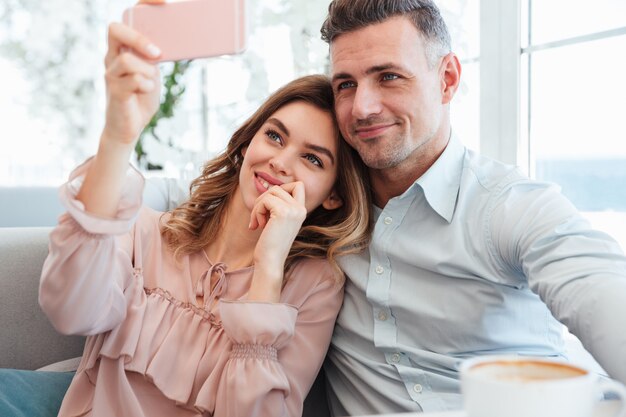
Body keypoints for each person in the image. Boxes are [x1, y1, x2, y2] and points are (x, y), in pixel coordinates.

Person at [38, 22, 372, 417]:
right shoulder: (144, 232)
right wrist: (118, 134)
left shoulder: (315, 286)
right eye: (275, 137)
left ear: (334, 195)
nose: (280, 163)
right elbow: (69, 310)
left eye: (313, 159)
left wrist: (268, 270)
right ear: (248, 142)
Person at [318, 0, 626, 415]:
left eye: (388, 77)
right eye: (345, 85)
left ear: (447, 79)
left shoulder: (513, 207)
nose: (362, 108)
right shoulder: (322, 207)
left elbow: (601, 292)